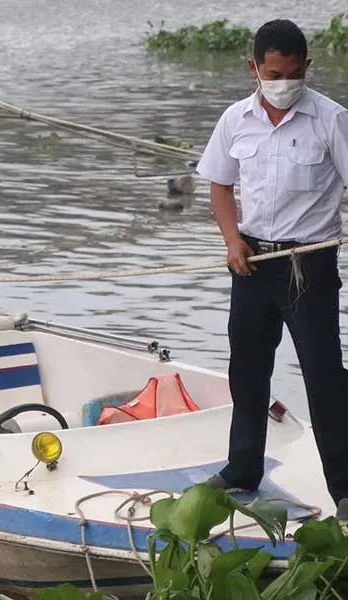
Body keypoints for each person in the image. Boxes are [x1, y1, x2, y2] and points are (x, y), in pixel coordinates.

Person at [196, 18, 348, 520]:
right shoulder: (235, 119)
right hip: (252, 264)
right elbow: (219, 184)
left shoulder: (331, 119)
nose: (283, 83)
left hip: (309, 265)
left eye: (293, 73)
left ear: (307, 67)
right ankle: (242, 468)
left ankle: (344, 488)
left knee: (323, 375)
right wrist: (232, 239)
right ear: (254, 68)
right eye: (273, 73)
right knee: (248, 366)